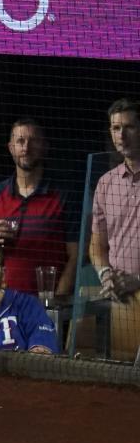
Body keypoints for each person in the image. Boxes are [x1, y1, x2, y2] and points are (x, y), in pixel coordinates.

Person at [0, 119, 79, 295]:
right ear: (11, 148)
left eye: (34, 141)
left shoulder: (64, 194)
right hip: (2, 302)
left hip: (47, 303)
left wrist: (57, 303)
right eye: (20, 141)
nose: (26, 147)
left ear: (45, 147)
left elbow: (76, 255)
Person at [90, 98, 140, 302]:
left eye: (129, 127)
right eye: (116, 128)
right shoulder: (105, 183)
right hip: (121, 301)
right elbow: (96, 245)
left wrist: (138, 279)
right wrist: (105, 275)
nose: (121, 135)